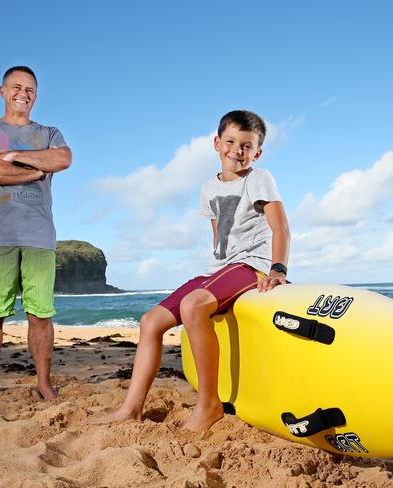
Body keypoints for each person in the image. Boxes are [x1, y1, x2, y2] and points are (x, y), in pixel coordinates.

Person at [92, 110, 290, 431]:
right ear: (216, 143)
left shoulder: (259, 179)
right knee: (150, 322)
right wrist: (212, 280)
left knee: (193, 305)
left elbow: (281, 228)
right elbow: (218, 237)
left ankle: (209, 405)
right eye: (230, 142)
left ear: (257, 152)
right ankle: (131, 408)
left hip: (249, 267)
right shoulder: (207, 189)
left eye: (246, 145)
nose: (237, 151)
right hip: (219, 269)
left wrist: (277, 269)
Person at [0, 66, 72, 400]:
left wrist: (11, 158)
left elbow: (63, 158)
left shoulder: (50, 132)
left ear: (36, 95)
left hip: (39, 234)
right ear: (2, 91)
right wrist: (33, 172)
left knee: (41, 314)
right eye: (16, 87)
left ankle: (43, 383)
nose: (23, 94)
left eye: (30, 89)